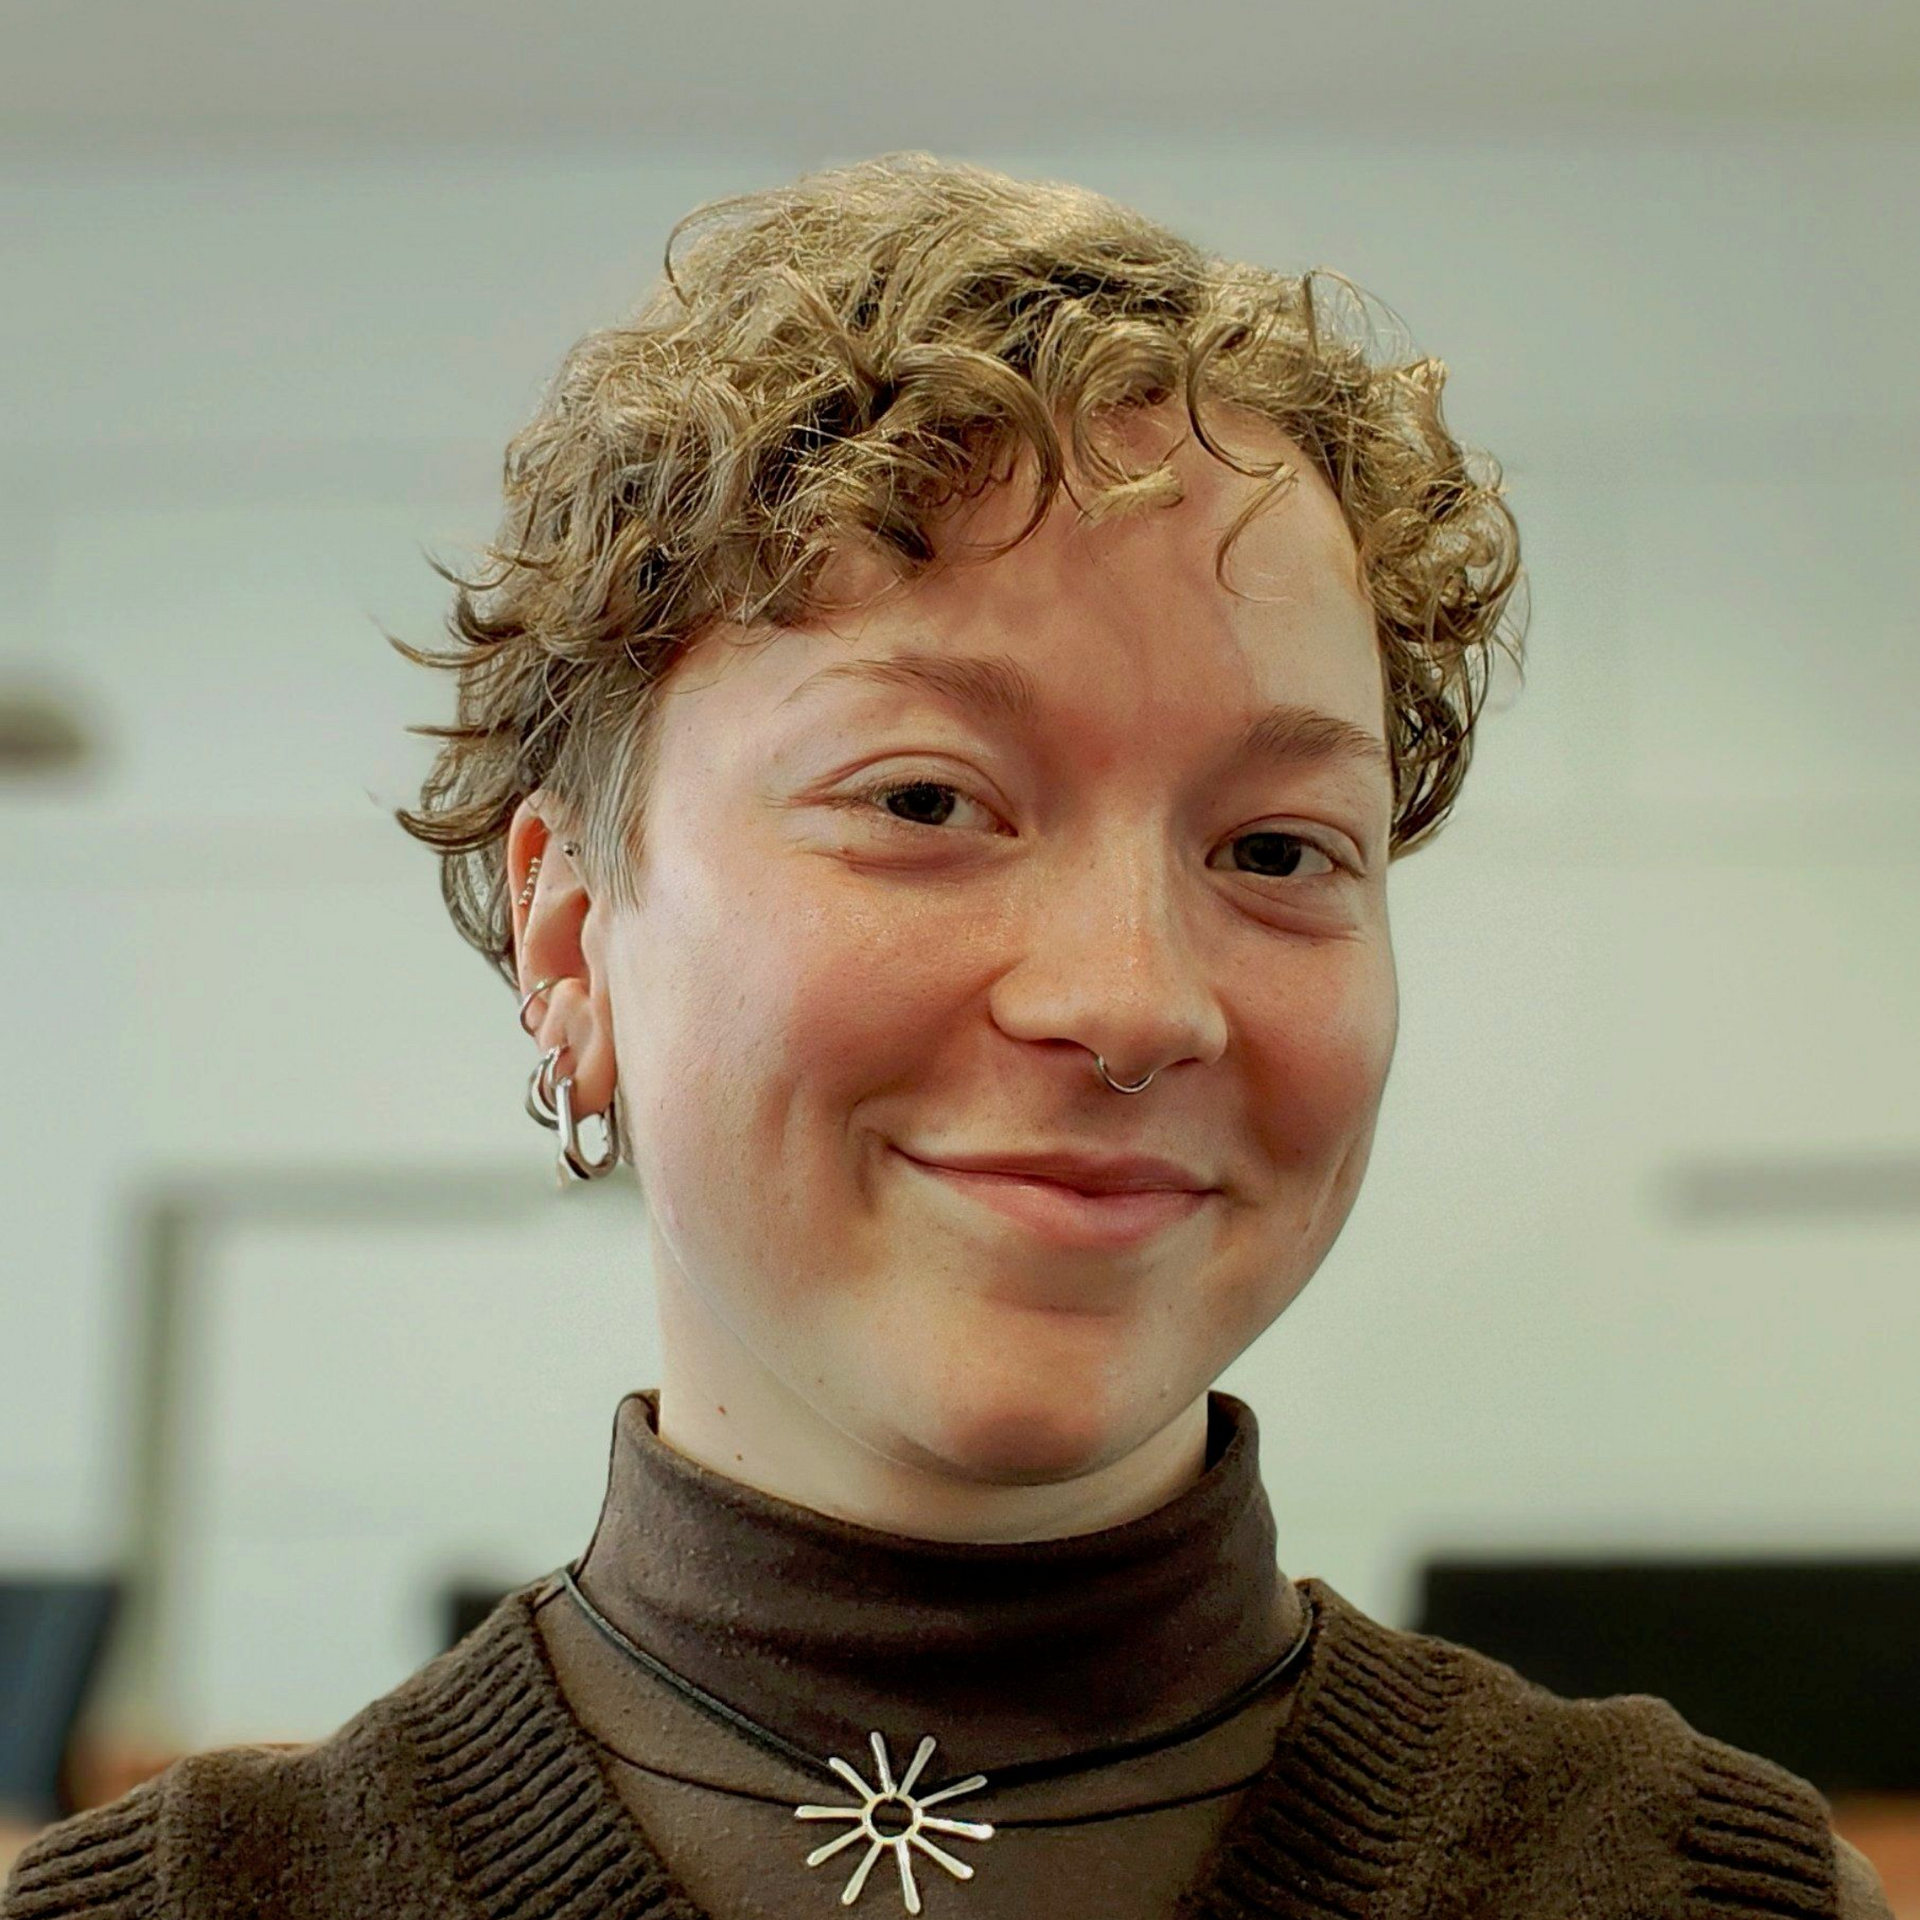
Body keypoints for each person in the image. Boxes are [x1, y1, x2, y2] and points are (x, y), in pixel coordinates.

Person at [4, 154, 1891, 1920]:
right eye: (921, 803)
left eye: (1274, 847)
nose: (1132, 1000)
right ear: (571, 935)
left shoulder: (1701, 1888)